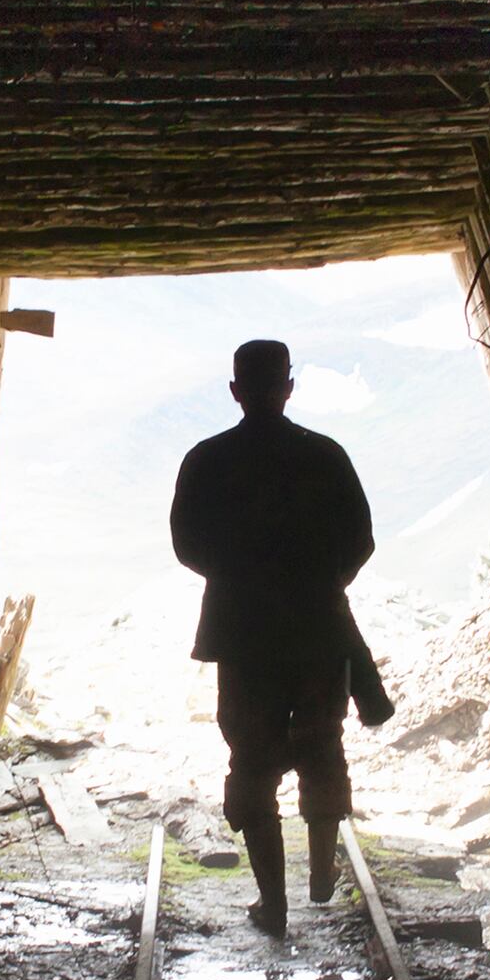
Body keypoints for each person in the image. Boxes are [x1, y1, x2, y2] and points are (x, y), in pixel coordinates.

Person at [169, 338, 385, 937]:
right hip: (318, 633)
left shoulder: (206, 461)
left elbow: (188, 546)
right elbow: (360, 539)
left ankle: (275, 903)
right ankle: (319, 880)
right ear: (289, 387)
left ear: (236, 391)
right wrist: (319, 584)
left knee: (252, 762)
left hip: (242, 638)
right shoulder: (326, 456)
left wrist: (243, 579)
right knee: (321, 749)